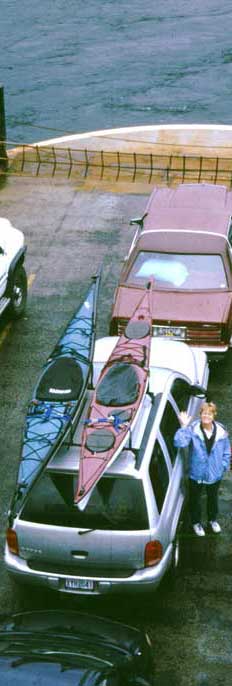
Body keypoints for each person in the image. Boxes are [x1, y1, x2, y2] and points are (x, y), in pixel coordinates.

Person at [174, 401, 231, 537]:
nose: (206, 416)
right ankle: (196, 523)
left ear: (214, 415)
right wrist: (183, 426)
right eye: (204, 413)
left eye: (209, 414)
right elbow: (180, 443)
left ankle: (212, 520)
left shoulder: (221, 433)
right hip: (196, 473)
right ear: (200, 415)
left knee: (212, 498)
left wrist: (222, 466)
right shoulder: (193, 430)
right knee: (195, 500)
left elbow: (227, 452)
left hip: (214, 474)